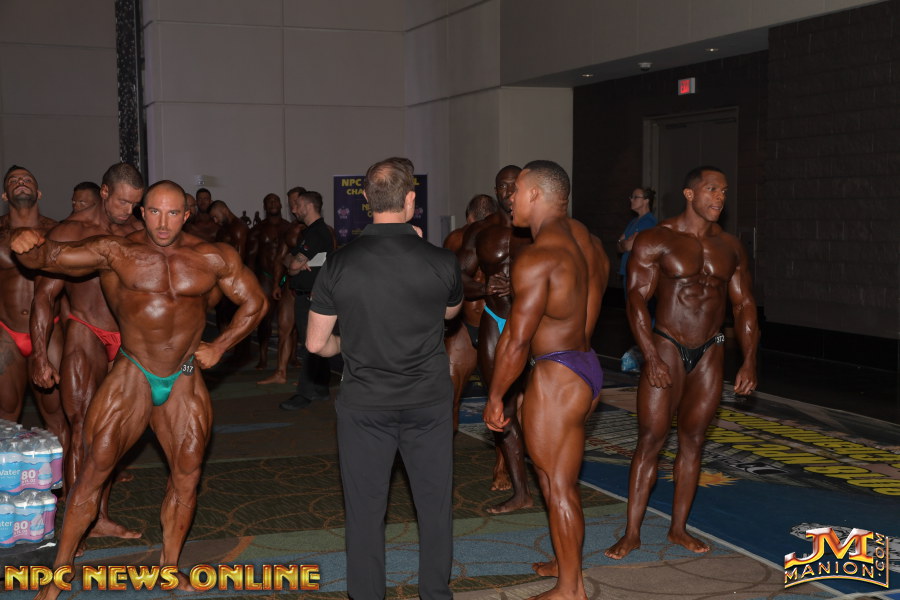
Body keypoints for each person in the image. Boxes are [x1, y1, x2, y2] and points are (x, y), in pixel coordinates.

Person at [12, 179, 267, 599]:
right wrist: (27, 244)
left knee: (188, 475)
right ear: (142, 213)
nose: (163, 223)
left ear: (186, 215)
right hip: (132, 370)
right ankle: (58, 575)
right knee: (94, 469)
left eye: (173, 213)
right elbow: (52, 257)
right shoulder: (116, 251)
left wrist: (221, 346)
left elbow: (255, 302)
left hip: (184, 373)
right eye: (155, 212)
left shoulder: (213, 256)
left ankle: (169, 568)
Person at [306, 157, 461, 600]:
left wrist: (348, 343)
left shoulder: (338, 264)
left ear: (366, 201)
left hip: (365, 406)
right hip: (428, 402)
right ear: (410, 200)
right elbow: (449, 314)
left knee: (365, 512)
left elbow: (317, 344)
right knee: (434, 508)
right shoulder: (442, 261)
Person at [605, 166, 759, 560]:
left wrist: (749, 360)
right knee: (651, 439)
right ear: (689, 194)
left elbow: (743, 304)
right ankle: (632, 532)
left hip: (711, 350)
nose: (719, 198)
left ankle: (678, 529)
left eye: (723, 191)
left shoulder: (730, 246)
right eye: (712, 189)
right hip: (667, 346)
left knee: (693, 442)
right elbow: (635, 298)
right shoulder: (657, 238)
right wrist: (650, 354)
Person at [484, 160, 608, 600]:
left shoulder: (538, 257)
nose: (510, 199)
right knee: (559, 480)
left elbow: (517, 341)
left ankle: (570, 589)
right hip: (586, 366)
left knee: (557, 485)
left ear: (536, 194)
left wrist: (496, 396)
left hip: (556, 372)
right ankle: (564, 561)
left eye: (516, 190)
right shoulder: (586, 240)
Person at [30, 162, 145, 540]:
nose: (129, 211)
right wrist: (39, 355)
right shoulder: (70, 231)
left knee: (111, 432)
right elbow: (44, 296)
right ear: (104, 192)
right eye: (123, 202)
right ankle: (74, 526)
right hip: (85, 330)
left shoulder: (135, 231)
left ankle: (100, 518)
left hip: (126, 337)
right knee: (80, 427)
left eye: (135, 204)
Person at [458, 165, 533, 513]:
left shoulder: (540, 229)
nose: (507, 192)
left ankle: (549, 479)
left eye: (513, 186)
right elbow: (456, 277)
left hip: (534, 324)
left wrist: (521, 286)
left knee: (540, 405)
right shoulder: (481, 231)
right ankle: (521, 491)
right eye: (501, 186)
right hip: (495, 318)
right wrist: (483, 287)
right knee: (500, 403)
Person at [0, 165, 68, 456]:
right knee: (5, 412)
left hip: (50, 330)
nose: (21, 182)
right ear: (5, 195)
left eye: (27, 179)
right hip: (6, 332)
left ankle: (66, 478)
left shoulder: (57, 231)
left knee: (56, 413)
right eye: (13, 181)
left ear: (38, 192)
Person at [443, 193, 497, 429]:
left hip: (465, 323)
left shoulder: (456, 238)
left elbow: (447, 284)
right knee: (502, 399)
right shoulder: (506, 238)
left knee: (449, 400)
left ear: (469, 216)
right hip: (493, 323)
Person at [279, 190, 336, 410]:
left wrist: (295, 266)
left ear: (309, 206)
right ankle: (321, 388)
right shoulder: (309, 232)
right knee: (316, 343)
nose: (294, 209)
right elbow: (287, 258)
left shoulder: (317, 233)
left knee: (311, 344)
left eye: (298, 205)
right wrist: (294, 264)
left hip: (313, 298)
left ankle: (304, 393)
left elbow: (292, 266)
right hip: (307, 296)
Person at [258, 186, 307, 385]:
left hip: (311, 289)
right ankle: (280, 372)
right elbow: (280, 258)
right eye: (290, 204)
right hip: (290, 285)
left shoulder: (320, 229)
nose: (293, 208)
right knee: (284, 328)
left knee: (310, 334)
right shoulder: (290, 230)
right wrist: (278, 284)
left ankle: (310, 377)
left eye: (296, 203)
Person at [247, 193, 293, 370]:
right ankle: (263, 357)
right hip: (266, 277)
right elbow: (251, 259)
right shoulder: (258, 230)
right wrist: (252, 283)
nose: (273, 203)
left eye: (276, 201)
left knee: (291, 319)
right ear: (265, 207)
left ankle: (292, 357)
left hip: (286, 277)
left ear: (281, 205)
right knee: (264, 319)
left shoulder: (290, 228)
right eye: (269, 201)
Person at [616, 186, 657, 294]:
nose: (631, 200)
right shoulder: (633, 221)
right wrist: (623, 243)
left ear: (646, 200)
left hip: (639, 275)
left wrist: (623, 243)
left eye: (635, 197)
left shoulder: (648, 221)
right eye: (631, 197)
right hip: (628, 273)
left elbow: (628, 246)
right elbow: (619, 246)